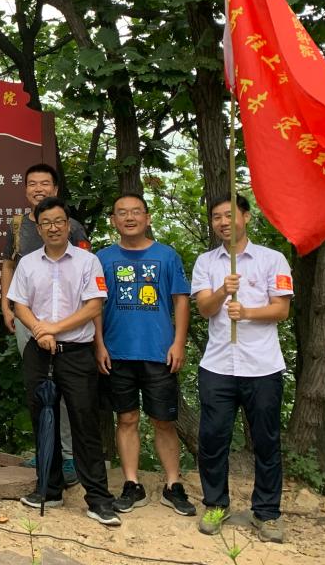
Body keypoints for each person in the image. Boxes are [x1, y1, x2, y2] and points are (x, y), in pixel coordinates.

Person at [7, 197, 120, 527]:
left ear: (68, 225)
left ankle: (98, 498)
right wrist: (39, 331)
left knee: (85, 422)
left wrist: (53, 328)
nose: (53, 228)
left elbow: (93, 306)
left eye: (59, 221)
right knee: (44, 418)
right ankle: (49, 488)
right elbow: (19, 305)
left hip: (76, 352)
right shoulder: (28, 263)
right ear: (39, 228)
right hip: (39, 352)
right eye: (46, 223)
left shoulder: (88, 261)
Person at [192, 194, 291, 544]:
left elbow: (281, 310)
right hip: (218, 365)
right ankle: (215, 505)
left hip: (262, 366)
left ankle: (267, 512)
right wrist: (223, 290)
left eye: (228, 215)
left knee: (266, 441)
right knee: (212, 439)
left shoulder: (272, 259)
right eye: (216, 217)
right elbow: (204, 308)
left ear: (246, 217)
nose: (222, 222)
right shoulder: (206, 262)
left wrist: (247, 312)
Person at [94, 193, 195, 516]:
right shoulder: (102, 258)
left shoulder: (167, 256)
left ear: (148, 218)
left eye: (136, 211)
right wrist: (99, 344)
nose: (129, 217)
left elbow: (181, 299)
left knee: (163, 420)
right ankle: (131, 483)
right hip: (117, 351)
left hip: (159, 351)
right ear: (113, 220)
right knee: (126, 419)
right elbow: (94, 304)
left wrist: (179, 342)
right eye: (122, 212)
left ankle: (173, 484)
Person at [0, 162, 88, 484]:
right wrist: (6, 304)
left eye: (45, 183)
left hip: (68, 321)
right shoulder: (18, 225)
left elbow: (85, 268)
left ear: (55, 189)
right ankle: (46, 449)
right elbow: (8, 266)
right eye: (32, 184)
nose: (39, 189)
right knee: (39, 384)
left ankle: (68, 454)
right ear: (25, 190)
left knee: (66, 386)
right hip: (27, 317)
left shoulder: (72, 227)